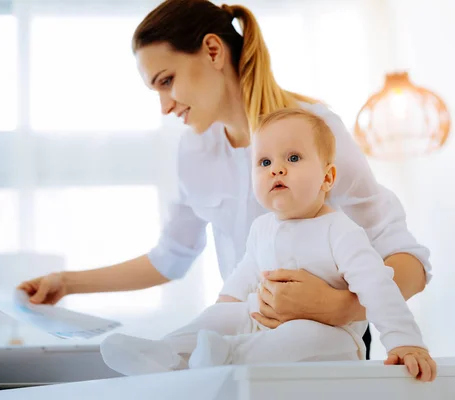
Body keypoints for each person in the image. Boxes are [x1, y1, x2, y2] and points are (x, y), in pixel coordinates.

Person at [18, 0, 431, 362]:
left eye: (167, 81)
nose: (164, 106)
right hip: (249, 329)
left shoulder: (316, 132)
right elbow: (170, 257)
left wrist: (339, 307)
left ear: (213, 50)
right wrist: (67, 283)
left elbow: (406, 259)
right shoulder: (193, 152)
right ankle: (168, 353)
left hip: (321, 345)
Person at [98, 108, 437, 382]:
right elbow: (244, 275)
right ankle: (165, 352)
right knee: (221, 316)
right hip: (260, 319)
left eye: (292, 159)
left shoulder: (341, 231)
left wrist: (405, 341)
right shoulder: (262, 228)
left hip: (330, 336)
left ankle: (227, 356)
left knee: (300, 337)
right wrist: (224, 310)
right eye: (265, 163)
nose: (277, 170)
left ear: (328, 178)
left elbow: (378, 287)